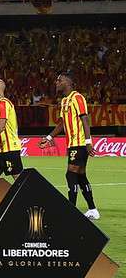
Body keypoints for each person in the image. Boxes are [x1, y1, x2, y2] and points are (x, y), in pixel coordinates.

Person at [39, 73, 99, 219]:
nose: (57, 82)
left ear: (69, 82)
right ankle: (92, 210)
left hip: (80, 143)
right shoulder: (65, 100)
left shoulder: (77, 98)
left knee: (70, 174)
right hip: (72, 144)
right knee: (80, 176)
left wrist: (88, 142)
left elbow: (85, 119)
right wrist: (48, 138)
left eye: (60, 80)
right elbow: (62, 123)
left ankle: (70, 211)